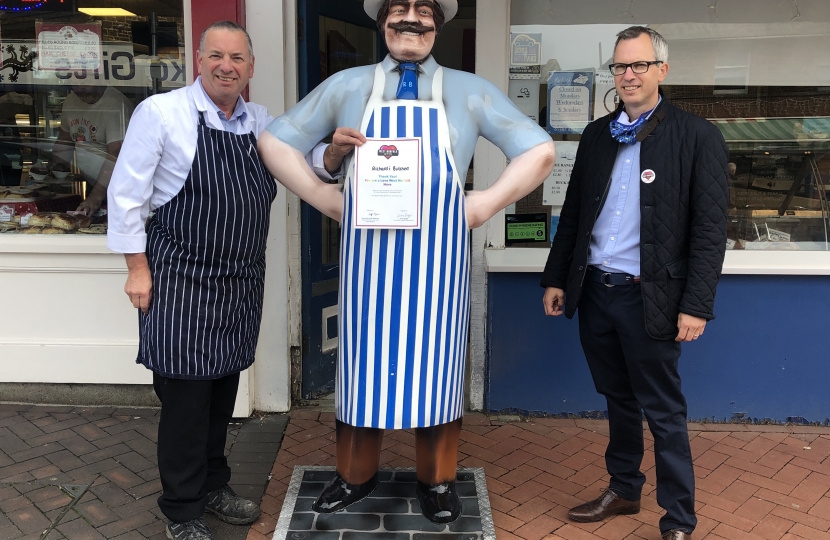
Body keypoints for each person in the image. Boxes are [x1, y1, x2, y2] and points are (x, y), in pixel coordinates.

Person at [258, 0, 555, 524]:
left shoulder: (470, 90)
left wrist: (484, 203)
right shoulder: (347, 85)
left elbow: (538, 150)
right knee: (362, 371)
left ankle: (437, 481)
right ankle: (354, 477)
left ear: (438, 23)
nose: (411, 19)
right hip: (366, 265)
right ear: (382, 21)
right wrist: (324, 189)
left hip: (438, 265)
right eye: (399, 8)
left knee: (435, 371)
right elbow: (275, 141)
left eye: (423, 9)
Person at [541, 27, 728, 540]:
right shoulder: (598, 135)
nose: (628, 75)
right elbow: (575, 214)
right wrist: (557, 278)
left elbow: (711, 232)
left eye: (639, 65)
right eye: (620, 67)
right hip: (597, 292)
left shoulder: (697, 137)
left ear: (662, 71)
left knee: (663, 411)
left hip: (654, 298)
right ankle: (623, 489)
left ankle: (679, 519)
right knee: (617, 399)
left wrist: (696, 306)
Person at [107, 21, 274, 540]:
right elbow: (126, 194)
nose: (227, 66)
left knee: (222, 396)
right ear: (198, 60)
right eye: (217, 56)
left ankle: (214, 485)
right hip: (179, 282)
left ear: (251, 67)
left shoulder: (261, 122)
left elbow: (306, 166)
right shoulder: (161, 113)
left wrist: (332, 153)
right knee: (185, 405)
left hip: (238, 284)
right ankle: (182, 510)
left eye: (238, 58)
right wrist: (137, 269)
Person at [52, 84, 134, 215]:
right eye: (76, 86)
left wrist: (96, 196)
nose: (80, 91)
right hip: (94, 185)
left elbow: (116, 153)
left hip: (121, 189)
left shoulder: (115, 103)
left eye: (84, 85)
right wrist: (56, 171)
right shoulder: (71, 100)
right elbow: (64, 140)